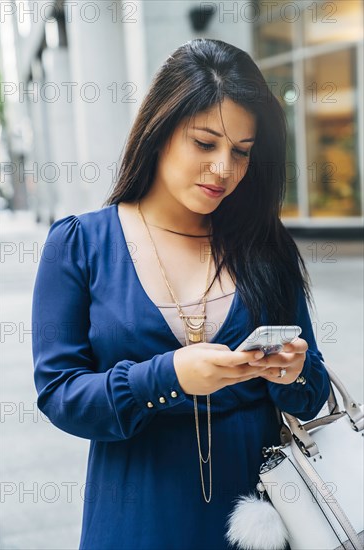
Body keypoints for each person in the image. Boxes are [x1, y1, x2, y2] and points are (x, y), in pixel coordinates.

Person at [31, 38, 331, 550]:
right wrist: (166, 378)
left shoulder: (265, 246)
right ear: (161, 128)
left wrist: (294, 371)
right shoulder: (81, 244)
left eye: (241, 152)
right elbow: (59, 394)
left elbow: (312, 394)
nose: (224, 169)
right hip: (136, 514)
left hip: (260, 518)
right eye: (205, 143)